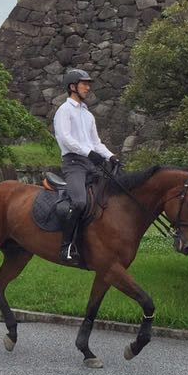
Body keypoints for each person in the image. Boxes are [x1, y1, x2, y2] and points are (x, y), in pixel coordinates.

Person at [52, 67, 117, 265]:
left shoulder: (88, 115)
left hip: (91, 163)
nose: (88, 88)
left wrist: (111, 156)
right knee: (80, 202)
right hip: (73, 164)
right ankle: (66, 247)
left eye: (88, 84)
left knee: (109, 197)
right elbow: (65, 138)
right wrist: (88, 152)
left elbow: (96, 142)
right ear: (73, 87)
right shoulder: (64, 111)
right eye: (84, 84)